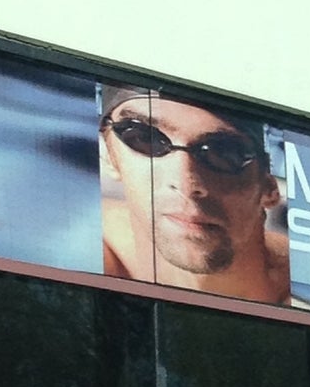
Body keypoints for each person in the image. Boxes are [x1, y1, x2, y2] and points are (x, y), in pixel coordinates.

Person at [100, 85, 290, 304]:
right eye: (145, 138)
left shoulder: (309, 290)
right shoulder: (92, 254)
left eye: (224, 152)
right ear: (109, 156)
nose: (186, 184)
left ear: (269, 188)